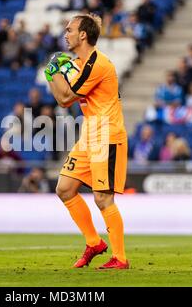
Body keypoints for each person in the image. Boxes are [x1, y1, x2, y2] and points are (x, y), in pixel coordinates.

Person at [44, 14, 129, 269]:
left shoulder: (97, 64)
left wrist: (52, 73)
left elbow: (64, 98)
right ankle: (94, 242)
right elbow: (63, 94)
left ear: (83, 35)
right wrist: (53, 74)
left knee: (103, 198)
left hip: (107, 133)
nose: (65, 34)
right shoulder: (81, 64)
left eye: (69, 30)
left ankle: (120, 258)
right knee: (65, 188)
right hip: (90, 133)